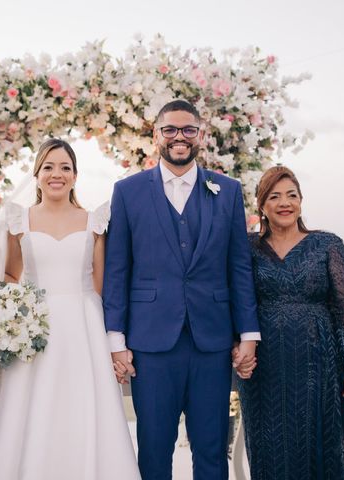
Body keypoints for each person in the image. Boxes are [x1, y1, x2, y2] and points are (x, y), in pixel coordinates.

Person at [103, 100, 260, 480]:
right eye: (170, 129)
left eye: (188, 129)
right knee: (154, 448)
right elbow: (117, 268)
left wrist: (249, 334)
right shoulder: (128, 191)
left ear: (200, 135)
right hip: (151, 342)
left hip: (212, 340)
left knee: (210, 447)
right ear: (156, 135)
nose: (179, 137)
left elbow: (238, 267)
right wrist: (115, 339)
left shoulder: (227, 189)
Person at [0, 138, 140, 480]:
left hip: (83, 328)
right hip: (35, 330)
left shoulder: (95, 222)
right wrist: (8, 319)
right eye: (48, 167)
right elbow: (11, 275)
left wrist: (113, 345)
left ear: (75, 175)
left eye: (64, 167)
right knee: (32, 411)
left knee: (83, 409)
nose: (56, 174)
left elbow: (102, 286)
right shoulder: (20, 221)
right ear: (37, 174)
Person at [236, 166, 344, 479]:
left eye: (292, 195)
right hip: (265, 366)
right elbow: (235, 300)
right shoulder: (247, 247)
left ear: (301, 200)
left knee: (321, 440)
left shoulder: (328, 244)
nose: (284, 203)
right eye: (274, 196)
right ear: (262, 205)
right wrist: (238, 345)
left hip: (320, 363)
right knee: (270, 445)